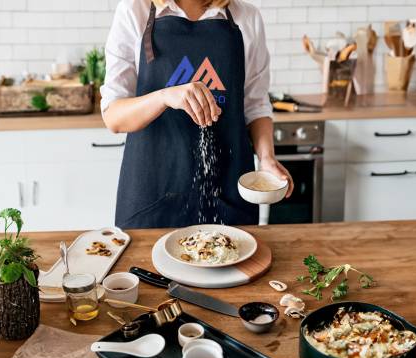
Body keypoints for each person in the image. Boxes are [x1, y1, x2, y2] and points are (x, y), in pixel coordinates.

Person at [101, 0, 294, 229]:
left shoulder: (246, 17)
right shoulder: (136, 11)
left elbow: (256, 106)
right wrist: (163, 97)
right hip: (153, 193)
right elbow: (113, 116)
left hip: (228, 191)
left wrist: (266, 158)